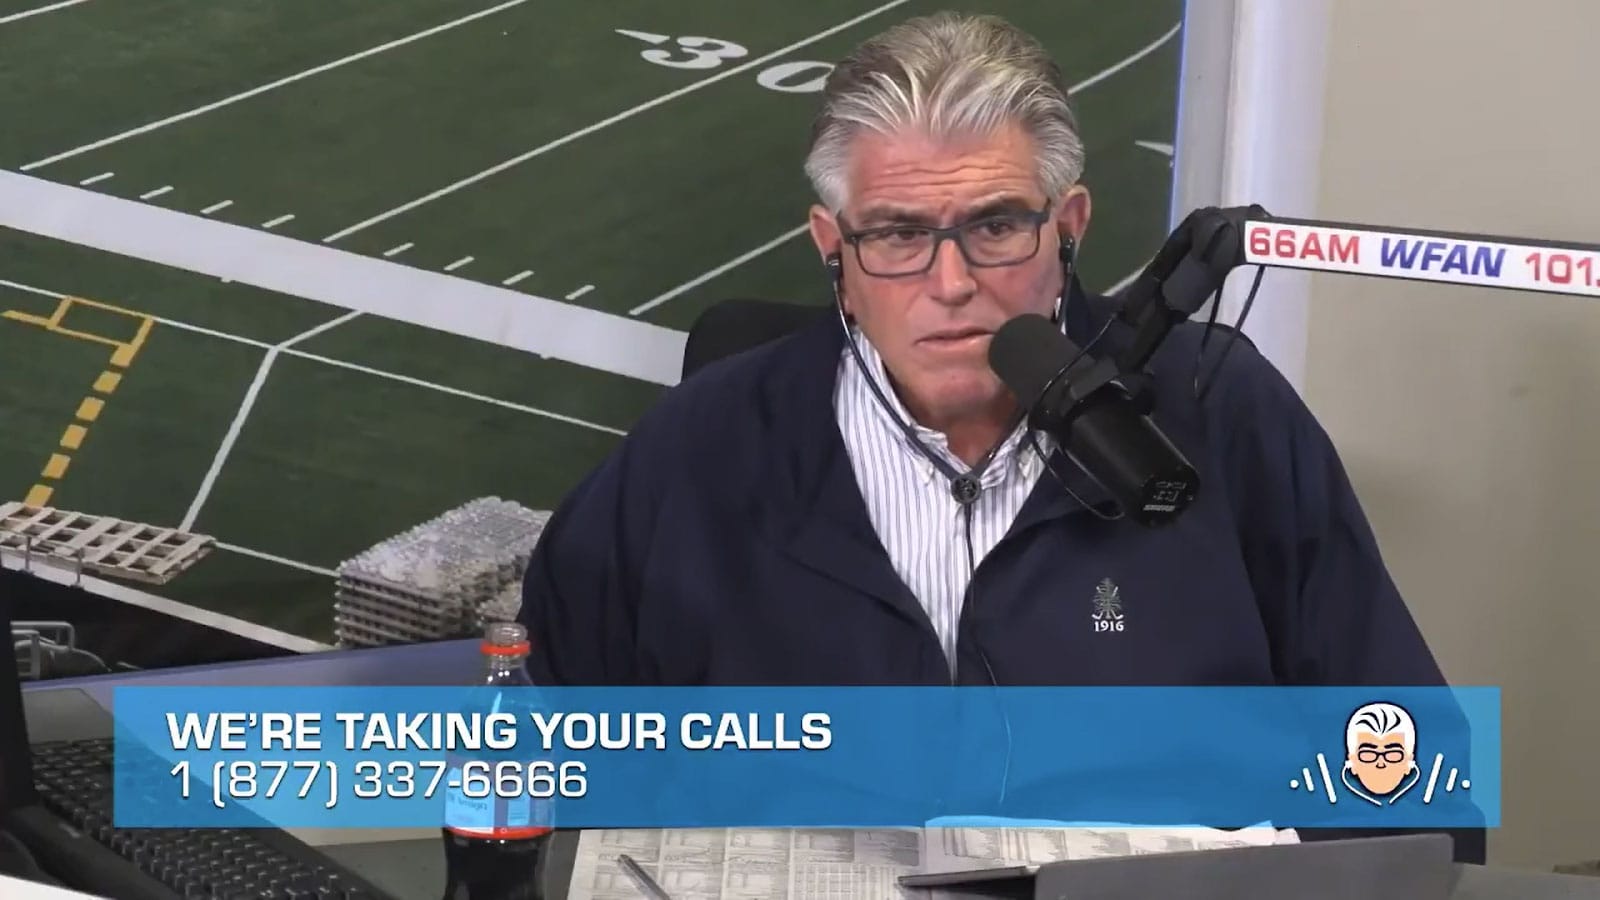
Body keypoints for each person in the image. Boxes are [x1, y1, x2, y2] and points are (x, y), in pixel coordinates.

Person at [517, 12, 1482, 862]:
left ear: (1068, 227)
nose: (949, 283)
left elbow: (1410, 779)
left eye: (995, 227)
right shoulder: (698, 448)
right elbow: (543, 764)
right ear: (832, 250)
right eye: (896, 234)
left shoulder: (1221, 411)